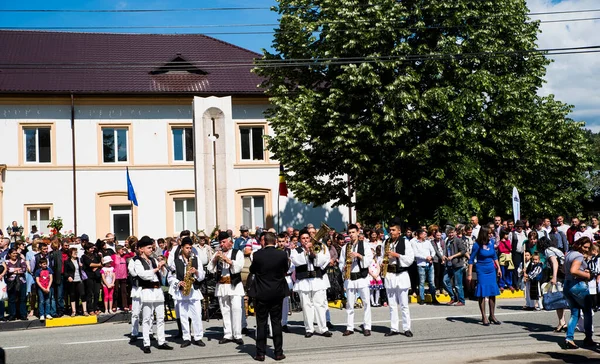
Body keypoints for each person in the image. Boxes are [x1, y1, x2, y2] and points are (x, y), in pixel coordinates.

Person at [249, 232, 289, 361]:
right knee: (276, 322)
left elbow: (252, 270)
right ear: (275, 242)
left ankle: (260, 353)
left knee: (261, 323)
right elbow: (285, 269)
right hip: (277, 292)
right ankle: (278, 352)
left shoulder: (257, 255)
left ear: (264, 242)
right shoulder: (282, 254)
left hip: (261, 293)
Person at [290, 229, 333, 338]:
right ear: (300, 240)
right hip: (304, 281)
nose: (305, 240)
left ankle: (323, 328)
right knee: (306, 306)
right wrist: (305, 252)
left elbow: (322, 262)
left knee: (320, 305)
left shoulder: (318, 247)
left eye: (307, 238)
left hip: (316, 280)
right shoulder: (296, 250)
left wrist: (313, 253)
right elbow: (296, 262)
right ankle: (309, 329)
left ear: (310, 238)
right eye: (303, 238)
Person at [134, 236, 173, 353]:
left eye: (152, 247)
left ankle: (161, 341)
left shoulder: (153, 260)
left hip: (157, 291)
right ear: (141, 249)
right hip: (147, 291)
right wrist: (157, 269)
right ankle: (146, 343)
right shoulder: (137, 261)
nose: (151, 250)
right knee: (147, 319)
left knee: (160, 318)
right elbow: (143, 275)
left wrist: (162, 266)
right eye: (149, 248)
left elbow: (163, 274)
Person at [207, 231, 245, 345]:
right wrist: (215, 259)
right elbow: (210, 268)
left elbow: (238, 268)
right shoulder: (217, 253)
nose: (221, 244)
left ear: (230, 242)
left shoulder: (237, 253)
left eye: (223, 242)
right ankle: (228, 334)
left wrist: (227, 260)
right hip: (222, 285)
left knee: (237, 309)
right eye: (220, 242)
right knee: (225, 310)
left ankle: (237, 334)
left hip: (234, 285)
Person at [168, 237, 207, 348]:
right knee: (183, 316)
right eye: (187, 248)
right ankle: (186, 337)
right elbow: (170, 277)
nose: (189, 250)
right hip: (182, 292)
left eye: (190, 248)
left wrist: (197, 272)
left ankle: (198, 337)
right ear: (182, 248)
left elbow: (202, 276)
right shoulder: (176, 261)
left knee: (197, 315)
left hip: (194, 291)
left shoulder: (196, 259)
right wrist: (178, 283)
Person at [339, 224, 374, 336]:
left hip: (362, 277)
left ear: (358, 232)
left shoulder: (365, 245)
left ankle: (367, 326)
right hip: (350, 278)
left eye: (353, 232)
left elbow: (369, 260)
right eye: (350, 233)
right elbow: (340, 262)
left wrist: (358, 255)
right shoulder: (345, 247)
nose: (351, 235)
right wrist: (343, 267)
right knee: (349, 304)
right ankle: (350, 327)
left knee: (366, 303)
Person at [383, 220, 415, 337]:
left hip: (401, 274)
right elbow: (382, 256)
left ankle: (407, 328)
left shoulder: (405, 242)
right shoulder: (386, 242)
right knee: (392, 305)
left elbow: (410, 259)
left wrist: (397, 255)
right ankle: (394, 328)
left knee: (404, 305)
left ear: (399, 231)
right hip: (390, 275)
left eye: (393, 230)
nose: (391, 232)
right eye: (390, 230)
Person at [563, 237, 595, 349]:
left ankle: (569, 338)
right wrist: (588, 275)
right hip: (577, 286)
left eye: (588, 247)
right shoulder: (578, 255)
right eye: (584, 247)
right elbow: (574, 270)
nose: (586, 249)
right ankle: (588, 338)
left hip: (567, 285)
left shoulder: (569, 254)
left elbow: (565, 269)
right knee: (587, 312)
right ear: (579, 245)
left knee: (574, 313)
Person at [467, 226, 502, 326]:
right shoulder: (477, 245)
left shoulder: (491, 242)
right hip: (481, 269)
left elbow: (494, 256)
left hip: (491, 269)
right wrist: (469, 274)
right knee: (482, 293)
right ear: (484, 233)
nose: (491, 235)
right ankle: (484, 316)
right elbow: (471, 260)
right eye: (489, 233)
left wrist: (498, 268)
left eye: (491, 233)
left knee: (492, 292)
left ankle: (492, 315)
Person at [539, 236, 567, 332]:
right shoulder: (555, 249)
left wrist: (554, 277)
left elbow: (555, 263)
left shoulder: (548, 251)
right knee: (560, 299)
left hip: (560, 276)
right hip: (565, 275)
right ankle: (562, 322)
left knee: (557, 298)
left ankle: (563, 322)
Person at [412, 229, 439, 305]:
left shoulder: (428, 242)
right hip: (421, 265)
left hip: (430, 264)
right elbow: (415, 254)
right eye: (424, 234)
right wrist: (425, 257)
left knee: (431, 282)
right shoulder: (415, 243)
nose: (425, 235)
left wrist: (431, 257)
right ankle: (422, 298)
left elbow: (433, 251)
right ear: (420, 235)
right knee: (422, 282)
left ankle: (433, 298)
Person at [443, 227, 467, 306]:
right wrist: (444, 257)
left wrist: (453, 256)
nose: (451, 234)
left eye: (452, 232)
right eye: (449, 233)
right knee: (445, 281)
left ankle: (461, 300)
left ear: (455, 233)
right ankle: (453, 297)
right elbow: (446, 251)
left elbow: (463, 251)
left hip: (457, 264)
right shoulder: (447, 241)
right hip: (449, 264)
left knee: (457, 284)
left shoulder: (458, 240)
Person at [4, 248, 27, 320]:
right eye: (13, 253)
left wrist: (13, 270)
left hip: (21, 282)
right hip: (11, 283)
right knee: (11, 299)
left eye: (16, 253)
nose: (15, 255)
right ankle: (12, 315)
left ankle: (22, 314)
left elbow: (23, 269)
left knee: (22, 298)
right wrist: (17, 269)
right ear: (9, 254)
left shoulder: (21, 260)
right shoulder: (6, 262)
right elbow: (7, 270)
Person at [64, 247, 88, 316]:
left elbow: (83, 269)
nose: (76, 254)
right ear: (70, 254)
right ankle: (73, 311)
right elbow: (65, 272)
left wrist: (81, 266)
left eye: (76, 252)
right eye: (74, 252)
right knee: (72, 295)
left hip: (79, 279)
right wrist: (68, 277)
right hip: (72, 280)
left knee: (83, 294)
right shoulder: (67, 261)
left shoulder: (79, 260)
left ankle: (85, 311)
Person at [81, 243, 102, 315]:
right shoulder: (84, 257)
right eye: (91, 248)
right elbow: (89, 264)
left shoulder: (96, 255)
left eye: (93, 248)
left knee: (97, 293)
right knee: (89, 293)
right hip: (89, 276)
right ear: (87, 249)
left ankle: (96, 307)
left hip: (97, 276)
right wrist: (98, 265)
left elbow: (101, 263)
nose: (93, 249)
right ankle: (90, 309)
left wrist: (100, 258)